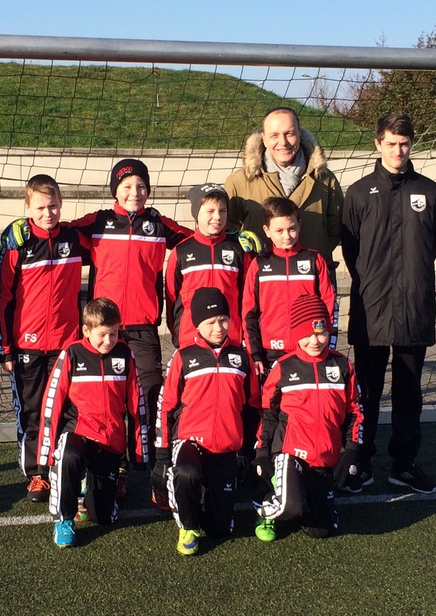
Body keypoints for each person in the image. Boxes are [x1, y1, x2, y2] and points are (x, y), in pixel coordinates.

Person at [71, 158, 190, 507]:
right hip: (103, 331)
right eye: (126, 187)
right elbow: (58, 230)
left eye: (140, 187)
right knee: (107, 403)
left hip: (143, 329)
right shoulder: (97, 223)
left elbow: (195, 238)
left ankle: (156, 475)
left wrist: (232, 237)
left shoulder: (157, 224)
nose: (134, 193)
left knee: (150, 398)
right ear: (115, 191)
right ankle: (113, 470)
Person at [340, 112, 436, 495]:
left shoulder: (430, 191)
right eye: (391, 143)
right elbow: (351, 252)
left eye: (404, 143)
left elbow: (430, 246)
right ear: (378, 143)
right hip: (372, 308)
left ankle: (404, 465)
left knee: (408, 392)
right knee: (366, 393)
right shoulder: (358, 193)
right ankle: (361, 462)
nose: (398, 150)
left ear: (412, 144)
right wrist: (377, 283)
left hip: (414, 307)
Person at [0, 174, 90, 503]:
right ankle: (37, 474)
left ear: (61, 204)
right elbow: (2, 296)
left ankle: (65, 467)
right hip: (26, 346)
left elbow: (104, 233)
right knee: (33, 412)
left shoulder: (74, 238)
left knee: (67, 410)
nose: (48, 213)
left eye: (54, 206)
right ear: (27, 207)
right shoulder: (17, 242)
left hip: (66, 345)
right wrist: (5, 347)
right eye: (41, 207)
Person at [154, 287, 260, 556]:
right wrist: (162, 455)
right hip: (190, 441)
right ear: (197, 324)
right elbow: (166, 407)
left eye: (223, 320)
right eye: (210, 322)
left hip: (225, 447)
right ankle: (187, 527)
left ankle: (205, 495)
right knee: (186, 472)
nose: (218, 327)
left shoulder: (242, 358)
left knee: (219, 529)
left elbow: (253, 407)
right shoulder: (183, 356)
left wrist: (249, 450)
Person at [38, 298, 149, 548]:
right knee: (68, 455)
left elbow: (137, 404)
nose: (108, 341)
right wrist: (45, 454)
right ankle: (63, 519)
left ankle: (89, 486)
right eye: (102, 335)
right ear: (86, 331)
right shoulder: (71, 354)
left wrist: (139, 453)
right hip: (78, 433)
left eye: (113, 333)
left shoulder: (125, 354)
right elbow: (51, 405)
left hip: (109, 442)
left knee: (104, 517)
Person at [253, 294, 363, 542]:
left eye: (321, 333)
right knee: (289, 506)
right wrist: (262, 451)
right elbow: (268, 414)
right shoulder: (283, 367)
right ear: (296, 333)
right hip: (290, 453)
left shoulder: (343, 365)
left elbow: (355, 412)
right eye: (307, 334)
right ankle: (265, 506)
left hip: (323, 458)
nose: (315, 341)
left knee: (320, 530)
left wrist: (352, 450)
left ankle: (301, 498)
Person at [225, 107, 344, 268]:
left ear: (300, 134)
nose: (283, 142)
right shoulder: (240, 181)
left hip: (313, 275)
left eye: (289, 134)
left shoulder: (326, 180)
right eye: (274, 135)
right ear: (263, 138)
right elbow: (228, 231)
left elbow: (335, 230)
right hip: (261, 277)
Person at [242, 197, 337, 377]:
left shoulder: (314, 260)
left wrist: (326, 345)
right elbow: (249, 313)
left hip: (309, 347)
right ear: (267, 231)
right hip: (270, 352)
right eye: (279, 230)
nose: (287, 236)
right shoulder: (259, 264)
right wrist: (254, 353)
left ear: (299, 225)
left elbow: (329, 305)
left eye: (292, 229)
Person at [165, 183, 261, 350]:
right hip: (190, 339)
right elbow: (172, 299)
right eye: (210, 211)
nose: (217, 217)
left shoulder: (238, 250)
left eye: (222, 211)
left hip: (230, 339)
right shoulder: (181, 251)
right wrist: (178, 335)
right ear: (196, 213)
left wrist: (244, 336)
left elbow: (247, 298)